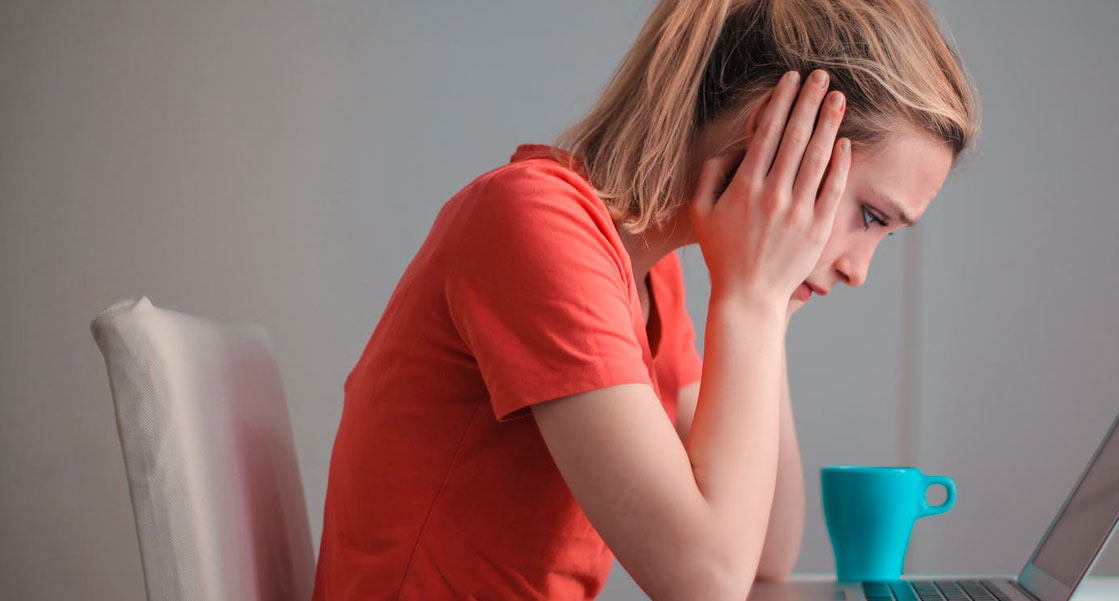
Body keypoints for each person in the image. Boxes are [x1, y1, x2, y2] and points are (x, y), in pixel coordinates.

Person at [310, 0, 978, 599]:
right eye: (870, 217)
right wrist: (751, 300)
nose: (862, 270)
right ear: (772, 138)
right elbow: (706, 582)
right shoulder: (534, 222)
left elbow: (765, 551)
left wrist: (767, 307)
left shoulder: (652, 275)